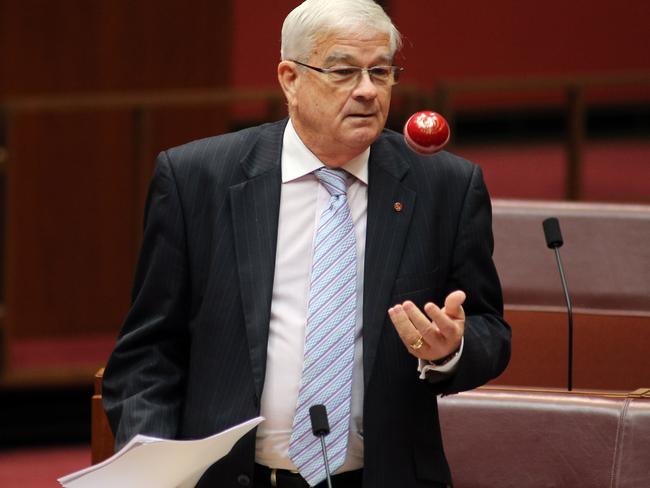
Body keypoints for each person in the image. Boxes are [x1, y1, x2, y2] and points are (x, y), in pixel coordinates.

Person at [103, 1, 511, 487]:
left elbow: (491, 330)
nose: (366, 90)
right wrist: (148, 473)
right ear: (289, 78)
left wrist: (451, 349)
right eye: (343, 71)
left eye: (380, 71)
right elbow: (148, 354)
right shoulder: (198, 179)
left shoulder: (445, 186)